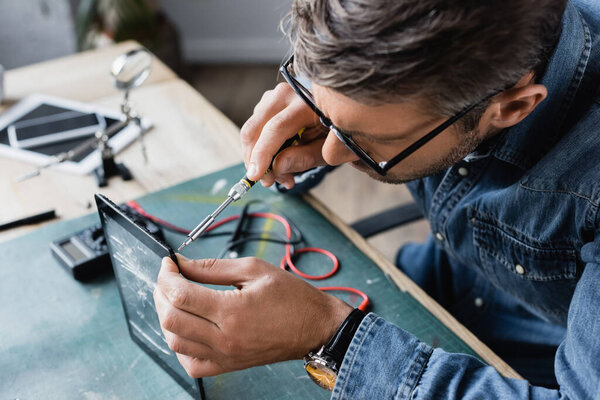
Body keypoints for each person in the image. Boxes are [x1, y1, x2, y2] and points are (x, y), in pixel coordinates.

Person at [153, 0, 600, 398]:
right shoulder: (415, 63)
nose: (329, 152)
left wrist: (330, 338)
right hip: (450, 282)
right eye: (326, 112)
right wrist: (322, 102)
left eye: (368, 141)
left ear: (512, 108)